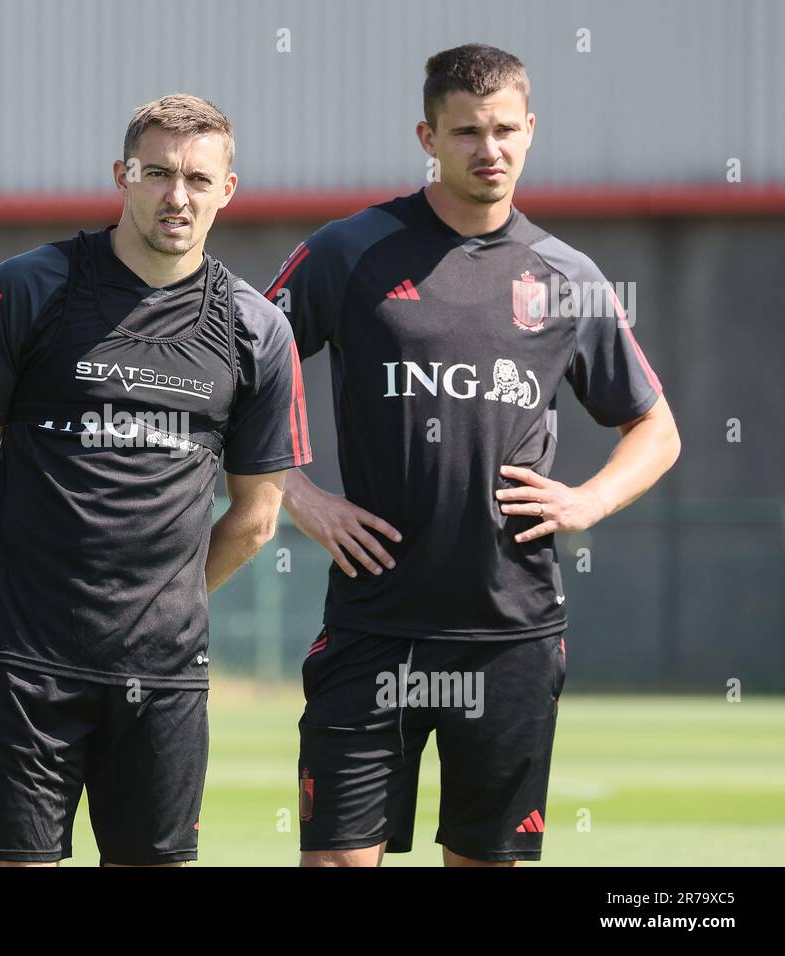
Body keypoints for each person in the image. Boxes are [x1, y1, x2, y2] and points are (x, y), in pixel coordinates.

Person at [266, 45, 681, 866]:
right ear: (428, 135)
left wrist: (585, 502)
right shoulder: (349, 252)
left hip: (511, 630)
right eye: (464, 132)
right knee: (335, 861)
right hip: (372, 626)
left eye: (502, 130)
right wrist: (299, 497)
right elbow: (234, 375)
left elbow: (656, 429)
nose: (487, 149)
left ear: (529, 131)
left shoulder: (567, 276)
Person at [0, 93, 312, 867]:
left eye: (197, 179)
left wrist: (165, 597)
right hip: (25, 665)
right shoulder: (25, 289)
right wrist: (13, 562)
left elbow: (256, 515)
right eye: (156, 173)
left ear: (228, 190)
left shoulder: (257, 330)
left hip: (167, 676)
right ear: (122, 175)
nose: (176, 195)